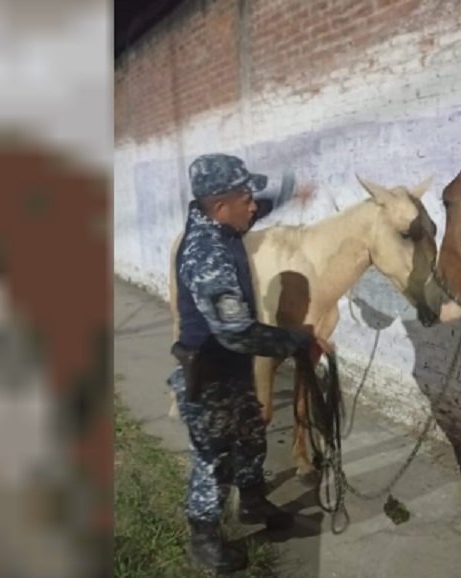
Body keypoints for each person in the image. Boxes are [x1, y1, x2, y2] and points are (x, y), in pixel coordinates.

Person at [167, 153, 328, 573]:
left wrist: (290, 193)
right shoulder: (207, 254)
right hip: (209, 375)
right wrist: (297, 340)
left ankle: (254, 505)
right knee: (214, 460)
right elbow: (235, 331)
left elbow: (259, 206)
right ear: (221, 206)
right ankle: (204, 543)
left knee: (252, 438)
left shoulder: (223, 223)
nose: (254, 207)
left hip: (232, 371)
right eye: (247, 199)